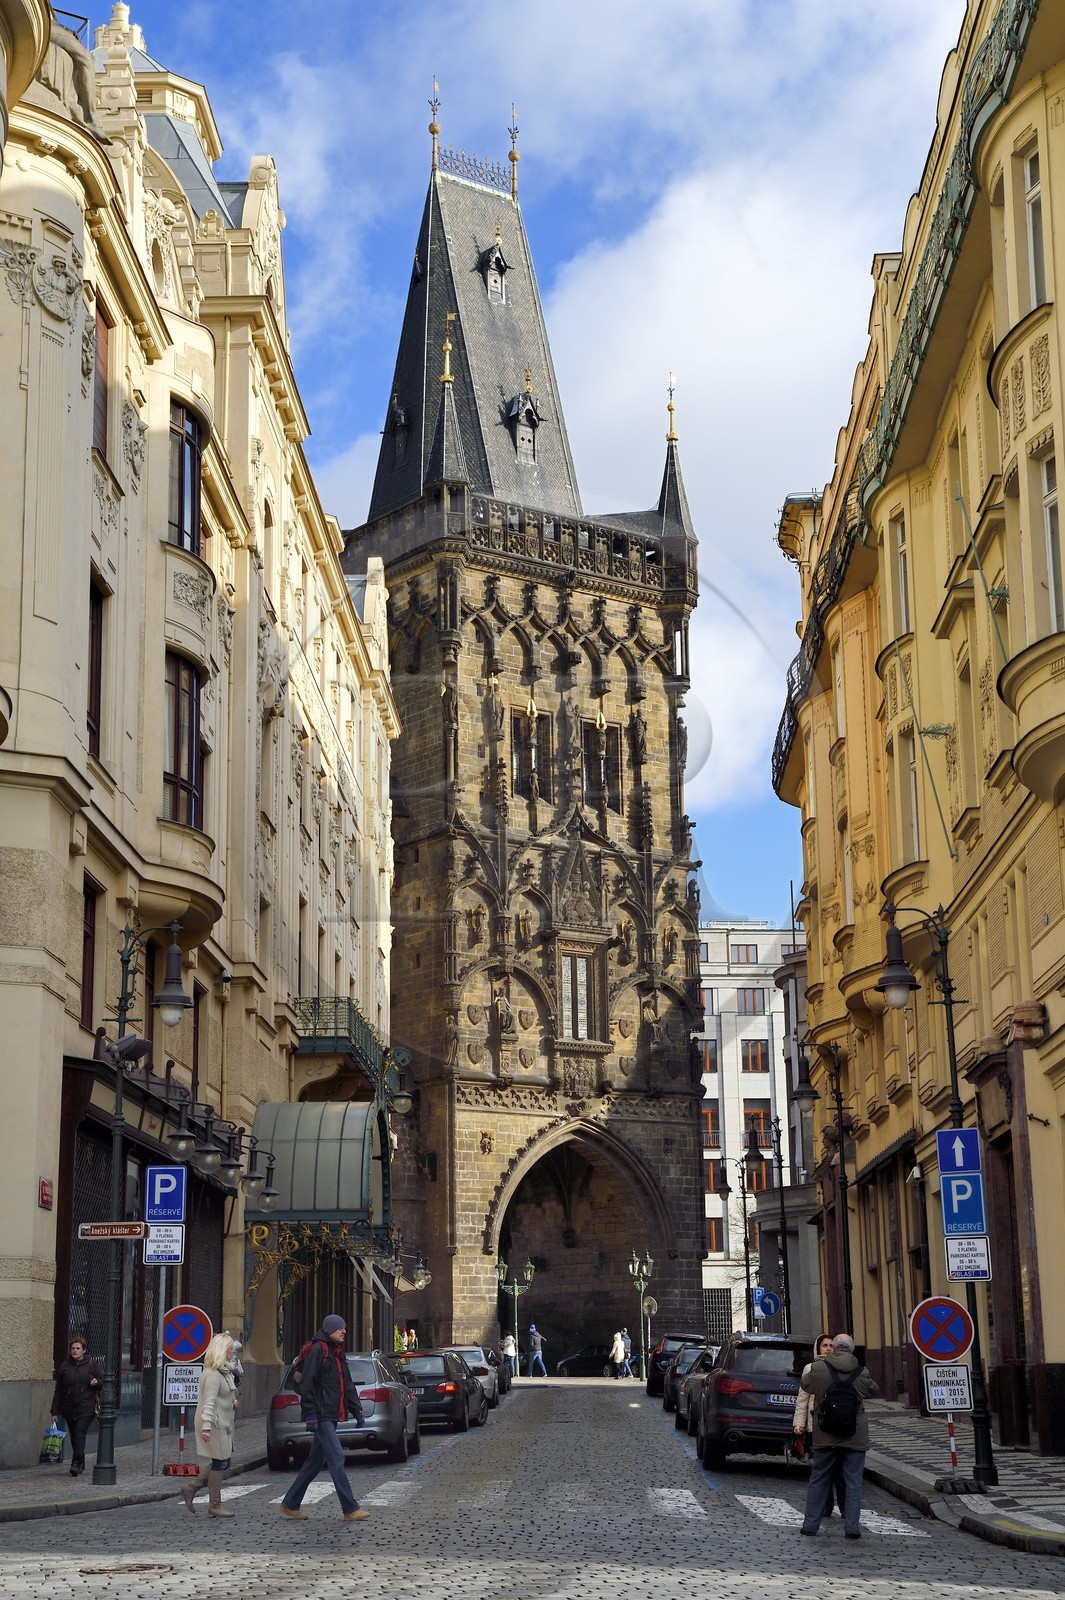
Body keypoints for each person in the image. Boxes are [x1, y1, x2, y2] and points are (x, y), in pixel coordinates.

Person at [279, 1314, 368, 1523]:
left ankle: (290, 1504)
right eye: (340, 1328)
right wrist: (310, 1413)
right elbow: (308, 1383)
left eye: (344, 1327)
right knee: (337, 1456)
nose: (344, 1331)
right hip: (320, 1416)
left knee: (315, 1462)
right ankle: (350, 1508)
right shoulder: (318, 1350)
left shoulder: (337, 1351)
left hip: (331, 1413)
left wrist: (357, 1411)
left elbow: (347, 1384)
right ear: (329, 1330)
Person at [799, 1333, 879, 1539]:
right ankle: (852, 1528)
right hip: (854, 1434)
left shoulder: (818, 1369)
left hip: (825, 1433)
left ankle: (810, 1525)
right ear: (852, 1349)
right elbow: (874, 1390)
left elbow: (805, 1384)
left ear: (833, 1348)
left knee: (819, 1479)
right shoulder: (862, 1372)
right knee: (853, 1482)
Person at [182, 1332, 239, 1517]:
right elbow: (209, 1402)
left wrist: (231, 1402)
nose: (233, 1352)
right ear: (222, 1350)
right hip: (214, 1423)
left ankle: (191, 1488)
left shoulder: (224, 1371)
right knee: (220, 1462)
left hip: (222, 1422)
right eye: (230, 1349)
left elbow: (223, 1396)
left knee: (223, 1461)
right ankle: (215, 1505)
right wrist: (206, 1427)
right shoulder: (213, 1374)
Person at [793, 1334, 846, 1516]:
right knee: (822, 1469)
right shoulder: (811, 1368)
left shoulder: (840, 1366)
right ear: (818, 1348)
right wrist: (798, 1424)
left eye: (831, 1345)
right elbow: (803, 1398)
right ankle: (826, 1506)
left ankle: (845, 1507)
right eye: (825, 1345)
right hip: (815, 1426)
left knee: (839, 1470)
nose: (828, 1349)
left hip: (837, 1424)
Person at [50, 1336, 101, 1477]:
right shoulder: (65, 1366)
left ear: (83, 1350)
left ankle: (76, 1463)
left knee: (79, 1433)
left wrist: (96, 1382)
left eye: (78, 1348)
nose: (75, 1350)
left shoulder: (92, 1364)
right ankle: (81, 1459)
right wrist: (54, 1411)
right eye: (73, 1348)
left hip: (86, 1407)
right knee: (74, 1436)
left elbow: (102, 1382)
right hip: (68, 1407)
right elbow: (58, 1390)